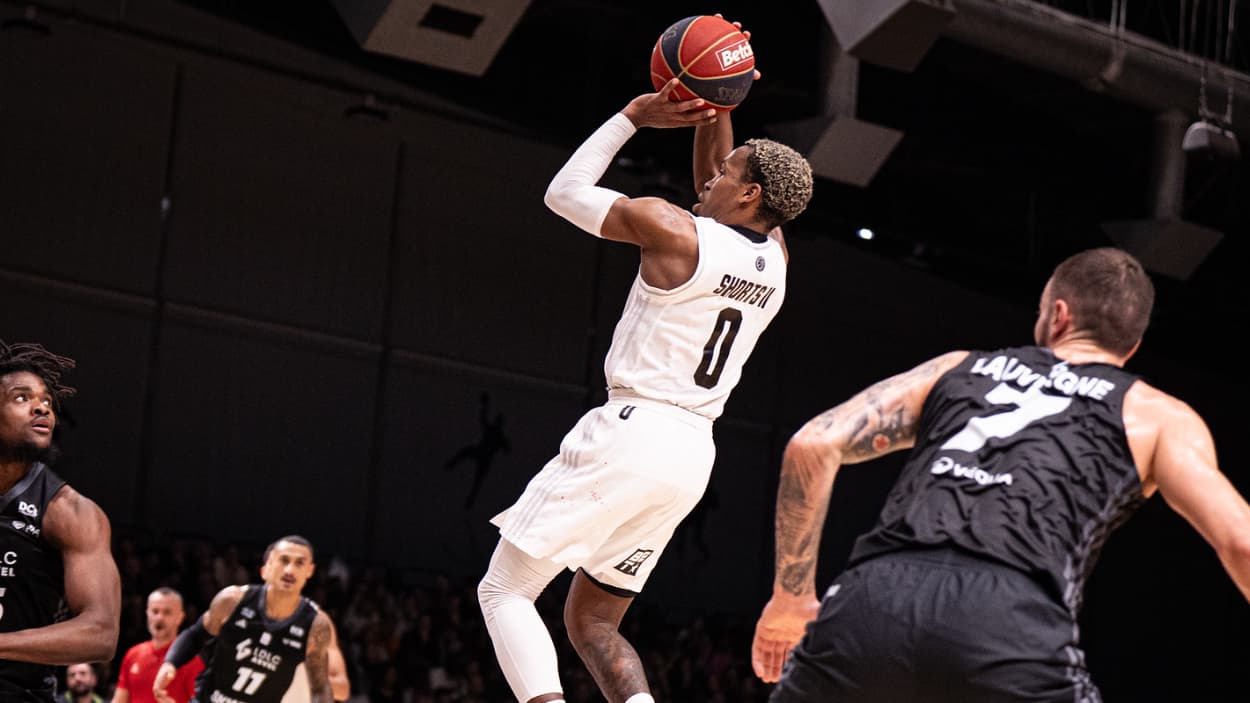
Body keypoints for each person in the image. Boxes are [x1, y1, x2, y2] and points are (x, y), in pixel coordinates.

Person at [750, 247, 1250, 702]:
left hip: (872, 598)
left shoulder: (958, 368)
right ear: (1132, 345)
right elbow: (1241, 542)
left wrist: (790, 599)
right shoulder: (1156, 414)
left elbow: (812, 445)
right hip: (1007, 618)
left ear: (1058, 315)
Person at [477, 47, 815, 703]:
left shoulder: (671, 228)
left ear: (748, 192)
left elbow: (563, 193)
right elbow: (717, 187)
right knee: (593, 621)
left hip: (632, 432)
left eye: (726, 173)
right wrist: (720, 102)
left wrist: (634, 115)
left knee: (506, 588)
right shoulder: (775, 259)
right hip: (691, 455)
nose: (708, 179)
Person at [0, 340, 121, 701]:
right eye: (22, 397)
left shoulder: (71, 512)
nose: (42, 407)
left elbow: (101, 632)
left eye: (48, 402)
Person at [153, 536, 336, 703]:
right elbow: (197, 634)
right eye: (284, 560)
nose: (290, 570)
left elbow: (320, 687)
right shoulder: (233, 600)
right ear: (267, 566)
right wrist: (171, 663)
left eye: (299, 563)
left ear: (310, 570)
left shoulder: (315, 625)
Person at [112, 588, 204, 703]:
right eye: (155, 611)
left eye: (167, 612)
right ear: (147, 613)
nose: (159, 617)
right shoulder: (133, 654)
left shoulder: (191, 661)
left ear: (180, 617)